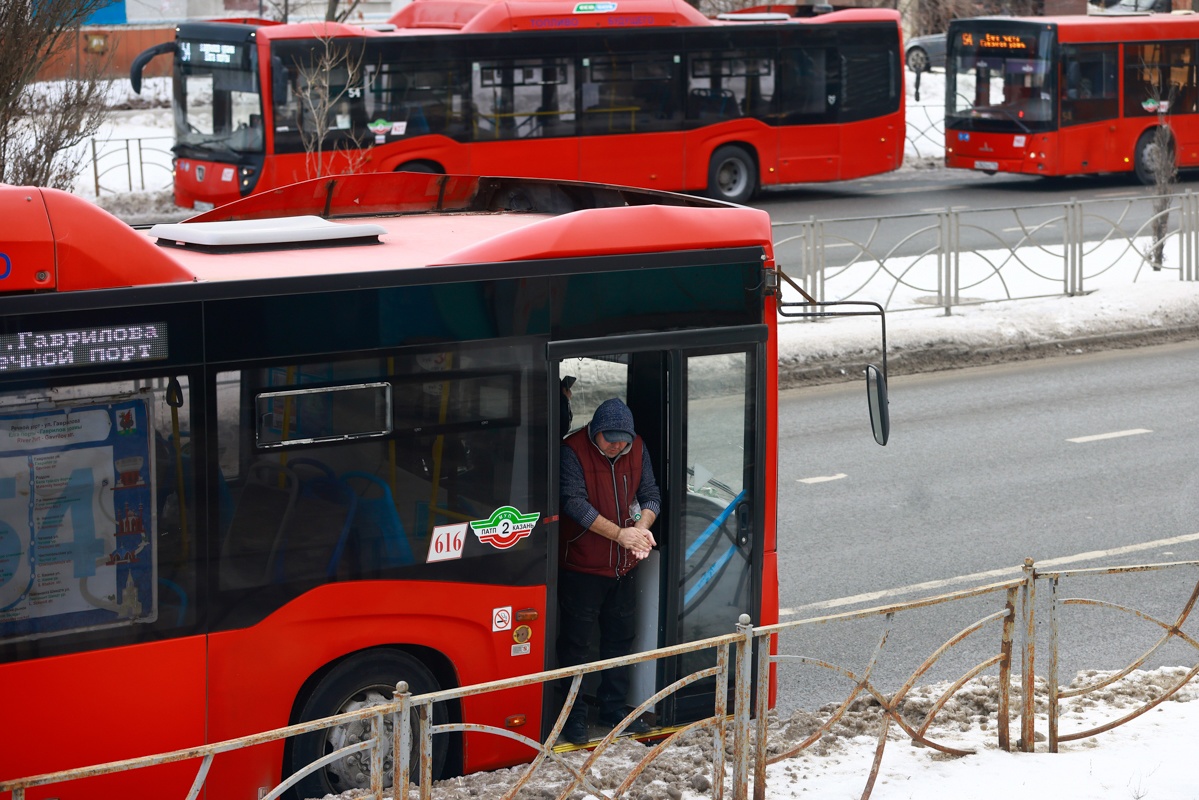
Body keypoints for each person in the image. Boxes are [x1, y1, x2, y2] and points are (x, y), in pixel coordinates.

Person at [556, 397, 660, 745]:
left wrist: (642, 528)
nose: (617, 445)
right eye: (609, 438)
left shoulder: (637, 448)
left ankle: (614, 710)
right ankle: (572, 718)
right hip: (582, 567)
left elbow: (650, 494)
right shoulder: (572, 450)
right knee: (576, 647)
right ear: (594, 433)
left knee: (620, 640)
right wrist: (620, 534)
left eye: (623, 439)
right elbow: (573, 503)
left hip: (623, 568)